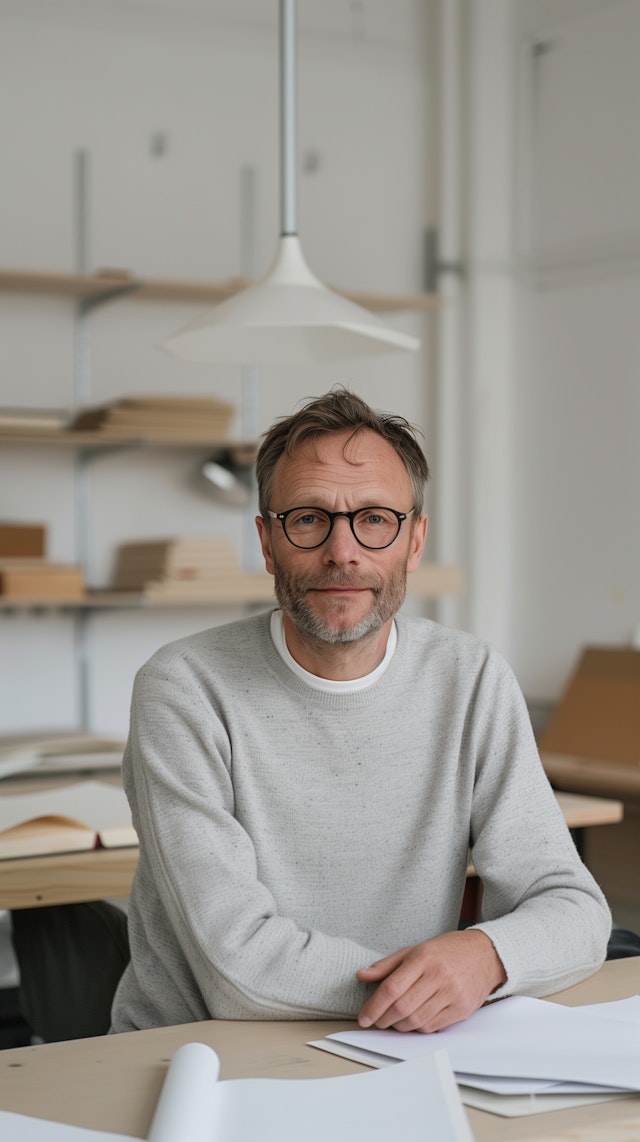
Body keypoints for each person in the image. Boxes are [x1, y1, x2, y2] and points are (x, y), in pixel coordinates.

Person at [110, 387, 611, 1035]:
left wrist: (484, 957)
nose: (343, 552)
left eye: (375, 519)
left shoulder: (470, 678)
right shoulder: (184, 687)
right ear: (267, 543)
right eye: (309, 519)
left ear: (414, 541)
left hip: (395, 1051)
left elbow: (574, 906)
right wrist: (428, 989)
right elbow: (237, 968)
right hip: (197, 1057)